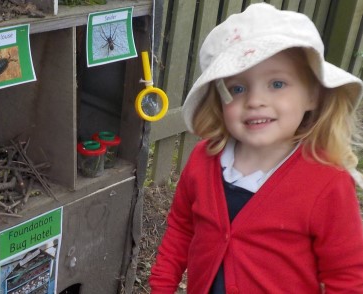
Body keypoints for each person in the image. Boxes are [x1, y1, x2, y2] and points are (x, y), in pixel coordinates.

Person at [149, 3, 363, 293]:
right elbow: (181, 229)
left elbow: (347, 276)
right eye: (238, 88)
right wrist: (161, 286)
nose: (255, 101)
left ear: (313, 95)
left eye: (277, 83)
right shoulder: (204, 160)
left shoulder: (327, 183)